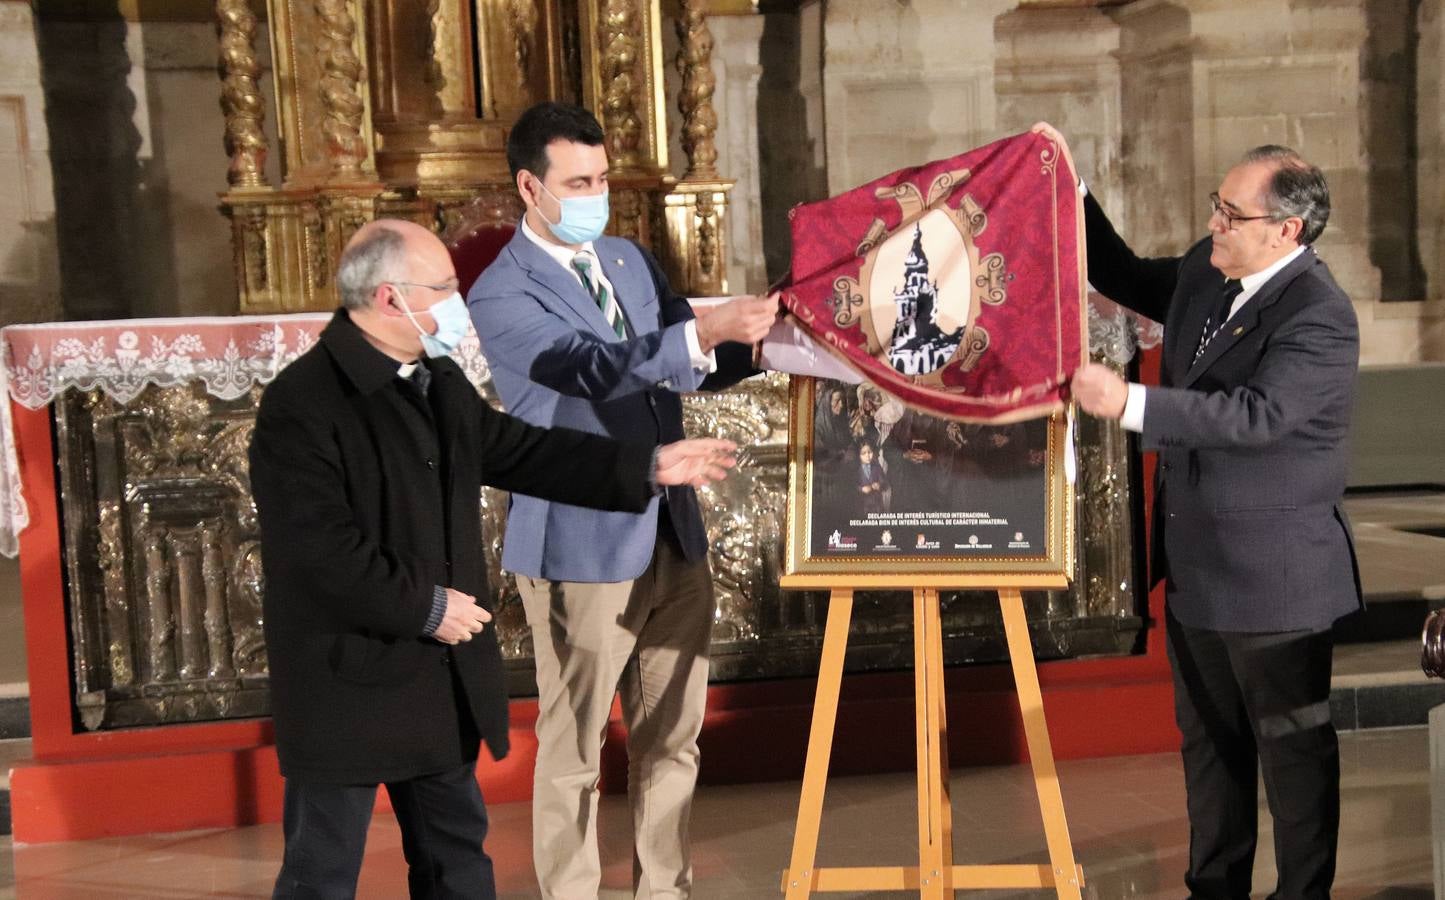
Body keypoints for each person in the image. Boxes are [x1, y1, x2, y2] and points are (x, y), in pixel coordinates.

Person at [248, 218, 737, 899]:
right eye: (445, 287)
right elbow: (314, 551)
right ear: (391, 298)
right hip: (348, 679)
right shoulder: (303, 402)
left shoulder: (437, 379)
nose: (458, 301)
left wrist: (647, 465)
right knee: (322, 872)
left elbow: (521, 451)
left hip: (438, 676)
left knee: (458, 867)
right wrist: (423, 606)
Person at [1041, 122, 1362, 900]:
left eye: (1230, 214)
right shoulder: (1204, 269)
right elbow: (1117, 270)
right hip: (1197, 571)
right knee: (1209, 750)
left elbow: (1255, 416)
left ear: (1285, 229)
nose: (1213, 224)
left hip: (1274, 578)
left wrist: (1130, 402)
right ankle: (1212, 888)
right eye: (1214, 206)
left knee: (1291, 758)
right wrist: (1064, 184)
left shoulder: (1316, 314)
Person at [465, 102, 776, 899]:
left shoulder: (629, 260)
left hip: (671, 530)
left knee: (672, 737)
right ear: (530, 187)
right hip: (577, 538)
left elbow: (685, 363)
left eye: (601, 179)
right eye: (578, 182)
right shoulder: (501, 294)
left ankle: (662, 888)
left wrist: (777, 338)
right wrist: (705, 332)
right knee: (573, 751)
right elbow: (594, 370)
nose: (595, 195)